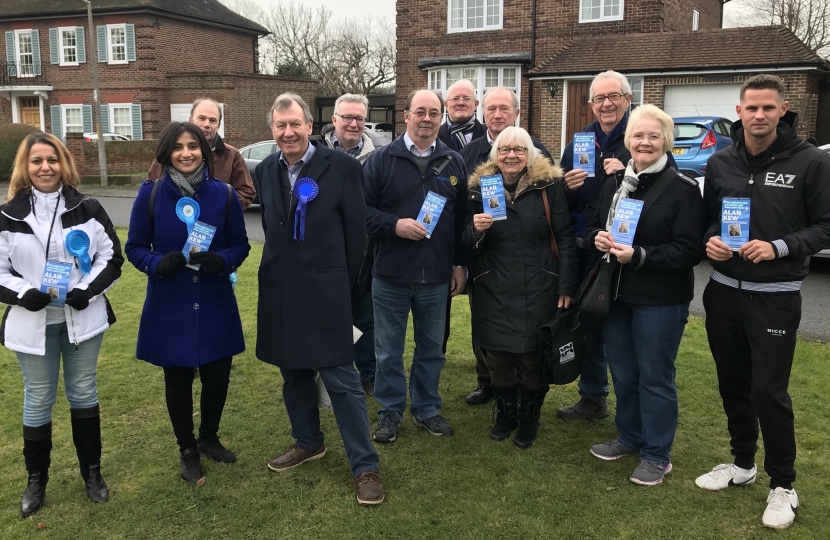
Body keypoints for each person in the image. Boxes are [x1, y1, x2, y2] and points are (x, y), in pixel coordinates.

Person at [694, 74, 830, 529]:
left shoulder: (809, 161)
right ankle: (742, 465)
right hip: (723, 292)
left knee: (769, 392)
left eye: (767, 108)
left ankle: (783, 485)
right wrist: (711, 239)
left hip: (774, 297)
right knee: (733, 384)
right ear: (739, 110)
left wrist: (780, 246)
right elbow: (709, 218)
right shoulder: (720, 162)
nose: (758, 116)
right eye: (751, 108)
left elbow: (826, 227)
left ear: (782, 109)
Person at [254, 93, 384, 506]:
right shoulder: (265, 171)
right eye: (280, 126)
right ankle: (308, 441)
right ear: (272, 130)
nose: (288, 132)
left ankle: (365, 466)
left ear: (311, 126)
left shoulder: (342, 168)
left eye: (295, 124)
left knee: (341, 380)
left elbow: (356, 237)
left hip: (329, 290)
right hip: (281, 290)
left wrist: (343, 287)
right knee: (292, 374)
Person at [0, 132, 123, 516]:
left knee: (83, 392)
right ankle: (36, 481)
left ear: (63, 163)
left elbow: (111, 258)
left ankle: (93, 474)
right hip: (32, 321)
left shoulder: (87, 207)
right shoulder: (8, 214)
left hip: (81, 318)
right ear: (26, 166)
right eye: (36, 161)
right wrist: (22, 292)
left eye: (52, 160)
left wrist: (86, 290)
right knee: (38, 399)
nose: (45, 167)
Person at [584, 105, 705, 485]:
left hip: (660, 300)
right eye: (638, 136)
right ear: (628, 141)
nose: (645, 142)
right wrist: (595, 238)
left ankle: (657, 453)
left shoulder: (683, 189)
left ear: (666, 141)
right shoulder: (617, 184)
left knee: (655, 376)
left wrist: (640, 255)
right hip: (617, 296)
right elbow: (591, 225)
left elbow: (689, 251)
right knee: (623, 371)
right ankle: (630, 437)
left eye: (653, 136)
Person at [126, 121, 250, 484]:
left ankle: (209, 437)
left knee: (217, 378)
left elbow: (240, 244)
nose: (186, 153)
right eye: (178, 147)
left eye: (193, 146)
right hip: (171, 302)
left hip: (214, 300)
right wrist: (155, 263)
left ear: (204, 151)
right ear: (167, 152)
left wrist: (222, 261)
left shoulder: (224, 195)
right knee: (177, 379)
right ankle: (187, 448)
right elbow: (133, 247)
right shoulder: (150, 194)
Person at [558, 71, 676, 421]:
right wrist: (566, 186)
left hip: (630, 255)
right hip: (590, 247)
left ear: (628, 99)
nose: (606, 104)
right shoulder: (579, 142)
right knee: (591, 325)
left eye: (614, 97)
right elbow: (562, 203)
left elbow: (666, 188)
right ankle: (593, 397)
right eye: (599, 98)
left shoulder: (639, 137)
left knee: (627, 335)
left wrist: (627, 170)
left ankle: (637, 407)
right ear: (591, 103)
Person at [461, 126, 578, 448]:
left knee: (531, 359)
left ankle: (529, 419)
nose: (511, 155)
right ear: (495, 154)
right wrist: (475, 230)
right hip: (492, 285)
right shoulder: (478, 189)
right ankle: (505, 414)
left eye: (519, 150)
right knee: (498, 358)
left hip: (539, 283)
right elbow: (463, 245)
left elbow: (565, 237)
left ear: (529, 155)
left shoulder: (548, 186)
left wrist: (566, 285)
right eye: (504, 149)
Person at [363, 89, 468, 443]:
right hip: (390, 275)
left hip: (436, 277)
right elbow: (361, 213)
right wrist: (395, 225)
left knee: (432, 349)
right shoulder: (380, 160)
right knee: (388, 350)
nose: (427, 119)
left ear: (441, 117)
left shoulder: (454, 161)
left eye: (433, 113)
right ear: (405, 114)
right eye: (420, 111)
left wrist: (458, 265)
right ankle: (390, 412)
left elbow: (460, 221)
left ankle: (426, 408)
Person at [459, 86, 553, 406]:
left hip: (528, 262)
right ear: (482, 113)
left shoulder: (536, 150)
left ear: (516, 113)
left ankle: (522, 392)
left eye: (504, 108)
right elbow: (461, 213)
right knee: (485, 324)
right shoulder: (469, 153)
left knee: (527, 328)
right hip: (486, 261)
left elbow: (551, 207)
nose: (497, 114)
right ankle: (488, 382)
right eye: (491, 108)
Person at [321, 93, 381, 396]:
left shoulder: (378, 155)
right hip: (326, 253)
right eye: (347, 117)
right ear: (334, 120)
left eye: (359, 118)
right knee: (328, 316)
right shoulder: (315, 154)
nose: (354, 123)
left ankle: (368, 373)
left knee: (364, 317)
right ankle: (330, 375)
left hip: (366, 253)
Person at [148, 98, 256, 209]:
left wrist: (220, 209)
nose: (207, 124)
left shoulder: (231, 155)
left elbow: (246, 191)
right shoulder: (168, 152)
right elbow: (151, 191)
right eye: (202, 118)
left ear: (218, 126)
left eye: (213, 120)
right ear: (191, 120)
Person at [437, 79, 486, 152]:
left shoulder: (489, 134)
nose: (461, 103)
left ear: (475, 104)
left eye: (466, 98)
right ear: (446, 105)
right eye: (455, 98)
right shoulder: (434, 136)